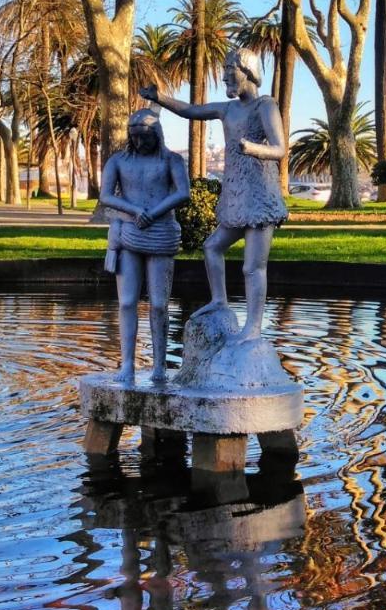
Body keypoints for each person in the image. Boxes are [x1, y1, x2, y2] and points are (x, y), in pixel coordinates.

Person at [140, 48, 287, 343]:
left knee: (252, 266)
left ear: (246, 71)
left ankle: (253, 327)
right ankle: (219, 300)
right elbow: (191, 111)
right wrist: (160, 99)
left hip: (260, 197)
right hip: (237, 195)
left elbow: (281, 149)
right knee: (211, 247)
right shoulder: (227, 110)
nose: (224, 77)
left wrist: (253, 149)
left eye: (229, 71)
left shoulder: (265, 106)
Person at [100, 107, 190, 384]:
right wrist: (134, 210)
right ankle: (127, 363)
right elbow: (106, 195)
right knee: (127, 302)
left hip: (161, 232)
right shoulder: (118, 161)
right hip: (128, 233)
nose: (140, 142)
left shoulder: (172, 160)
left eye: (146, 137)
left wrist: (154, 211)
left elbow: (183, 192)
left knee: (160, 304)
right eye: (135, 136)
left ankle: (159, 365)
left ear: (157, 134)